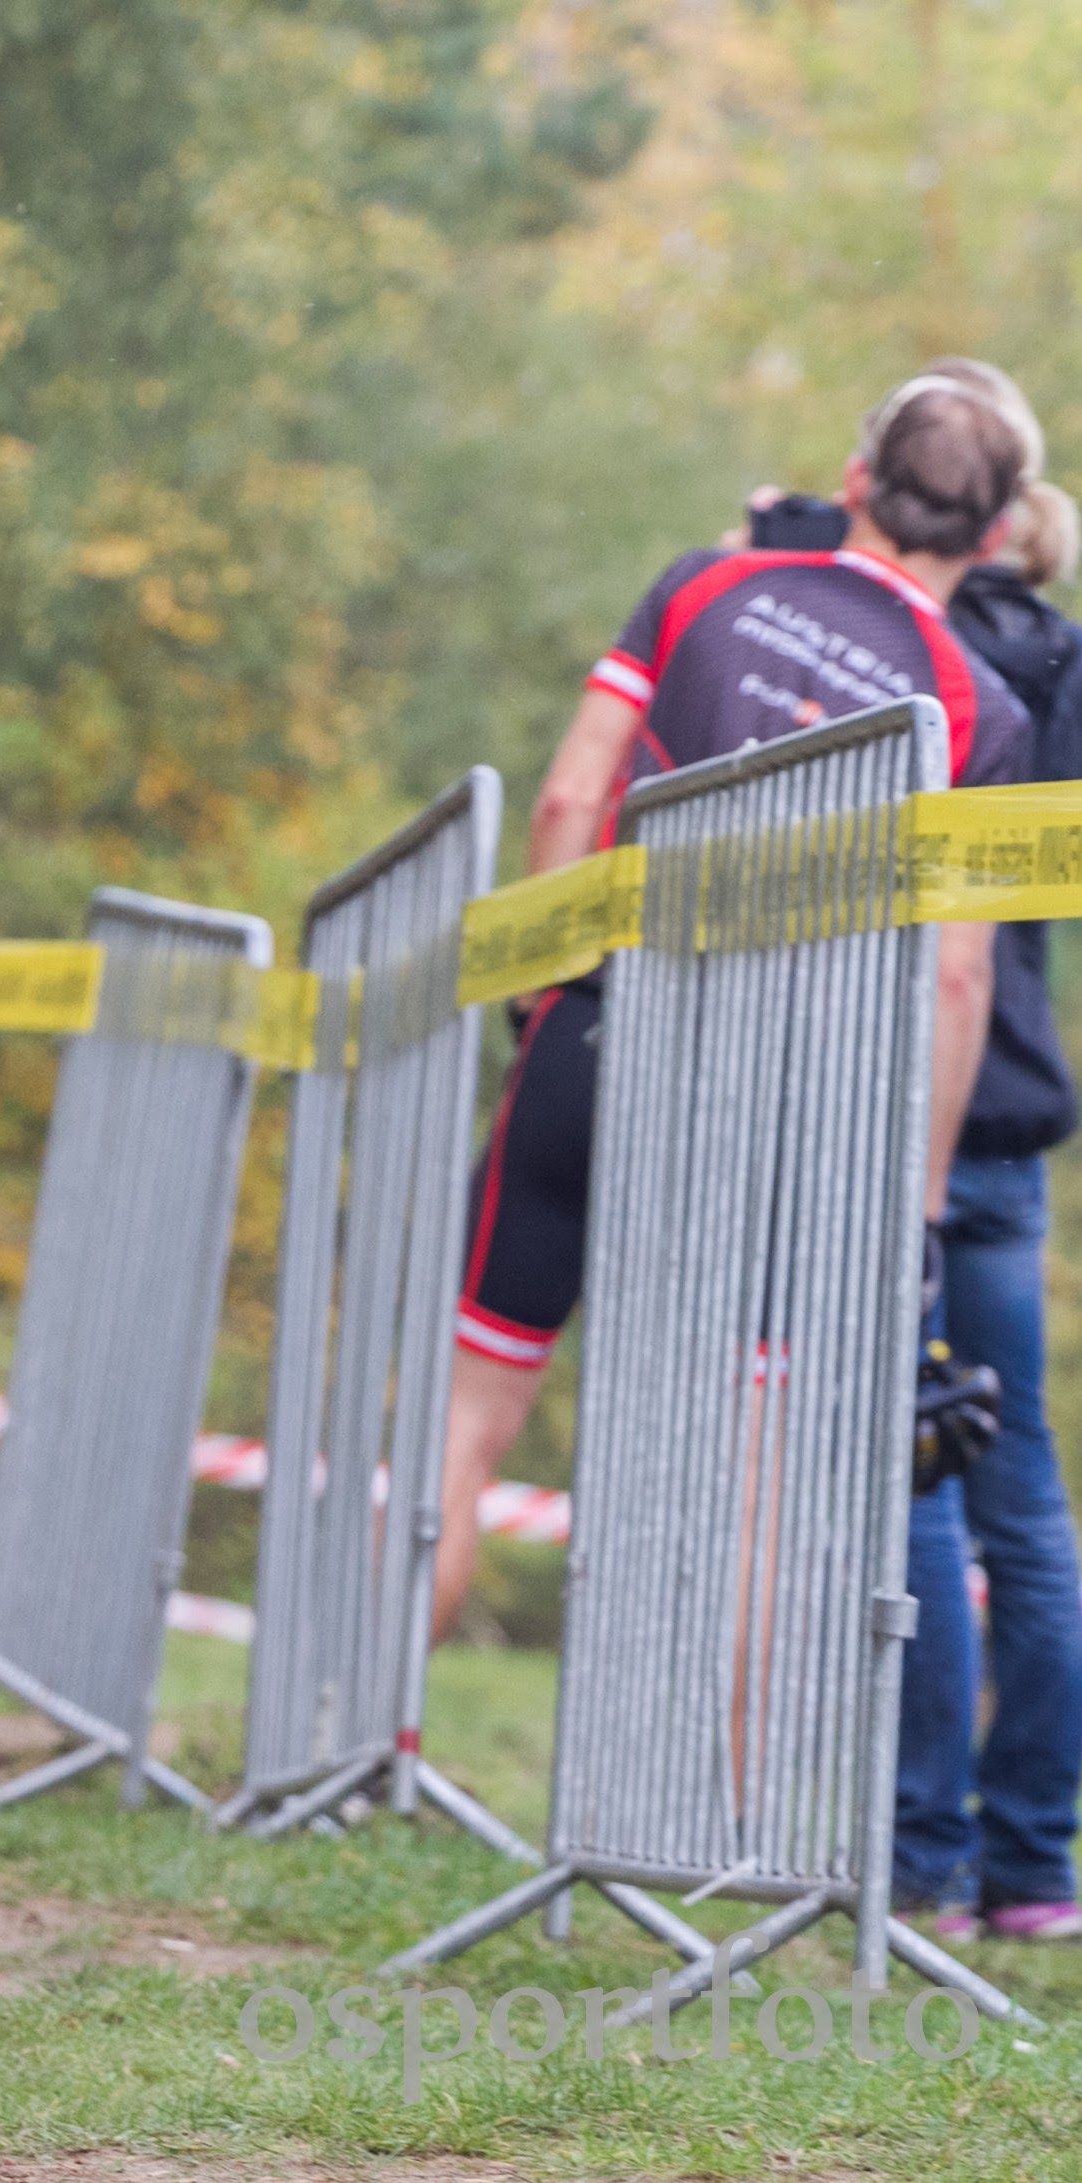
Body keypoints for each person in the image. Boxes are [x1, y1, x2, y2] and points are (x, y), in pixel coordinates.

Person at [435, 368, 1035, 1661]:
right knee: (753, 1469)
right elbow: (951, 979)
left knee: (466, 1411)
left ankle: (358, 1743)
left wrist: (548, 980)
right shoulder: (979, 708)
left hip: (600, 1026)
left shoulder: (702, 584)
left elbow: (565, 795)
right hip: (785, 1091)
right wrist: (919, 1206)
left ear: (856, 483)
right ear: (991, 538)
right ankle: (722, 1827)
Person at [733, 382, 1082, 1940]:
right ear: (1007, 521)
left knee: (912, 1484)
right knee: (1015, 1488)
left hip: (896, 1107)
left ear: (871, 486)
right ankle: (1033, 1865)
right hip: (1007, 1107)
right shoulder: (1046, 658)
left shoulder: (857, 631)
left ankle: (922, 1860)